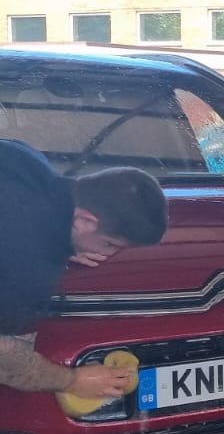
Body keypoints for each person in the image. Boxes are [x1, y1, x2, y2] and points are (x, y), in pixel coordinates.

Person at [0, 139, 168, 398]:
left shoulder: (25, 159)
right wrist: (71, 380)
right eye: (109, 243)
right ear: (83, 219)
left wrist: (66, 242)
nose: (107, 254)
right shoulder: (27, 270)